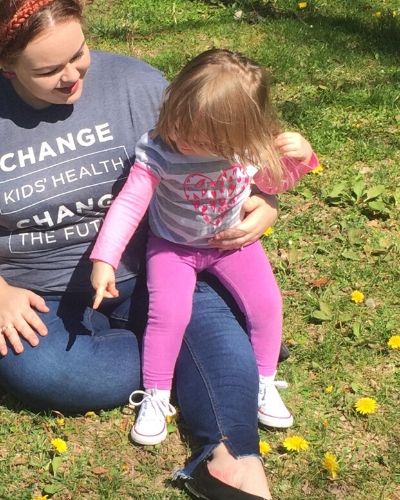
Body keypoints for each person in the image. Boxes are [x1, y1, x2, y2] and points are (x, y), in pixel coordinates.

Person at [0, 1, 283, 498]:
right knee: (41, 369)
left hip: (151, 268)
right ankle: (205, 352)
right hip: (37, 296)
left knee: (194, 316)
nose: (71, 76)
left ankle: (232, 459)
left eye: (80, 53)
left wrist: (267, 198)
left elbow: (221, 142)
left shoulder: (136, 83)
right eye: (48, 70)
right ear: (6, 64)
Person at [91, 48, 319, 446]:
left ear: (239, 132)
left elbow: (273, 185)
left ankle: (263, 381)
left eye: (198, 137)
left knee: (266, 303)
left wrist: (300, 160)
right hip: (172, 247)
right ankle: (156, 395)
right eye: (178, 122)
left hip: (231, 244)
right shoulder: (160, 149)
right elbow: (129, 203)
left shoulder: (247, 147)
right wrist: (105, 258)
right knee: (169, 314)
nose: (181, 137)